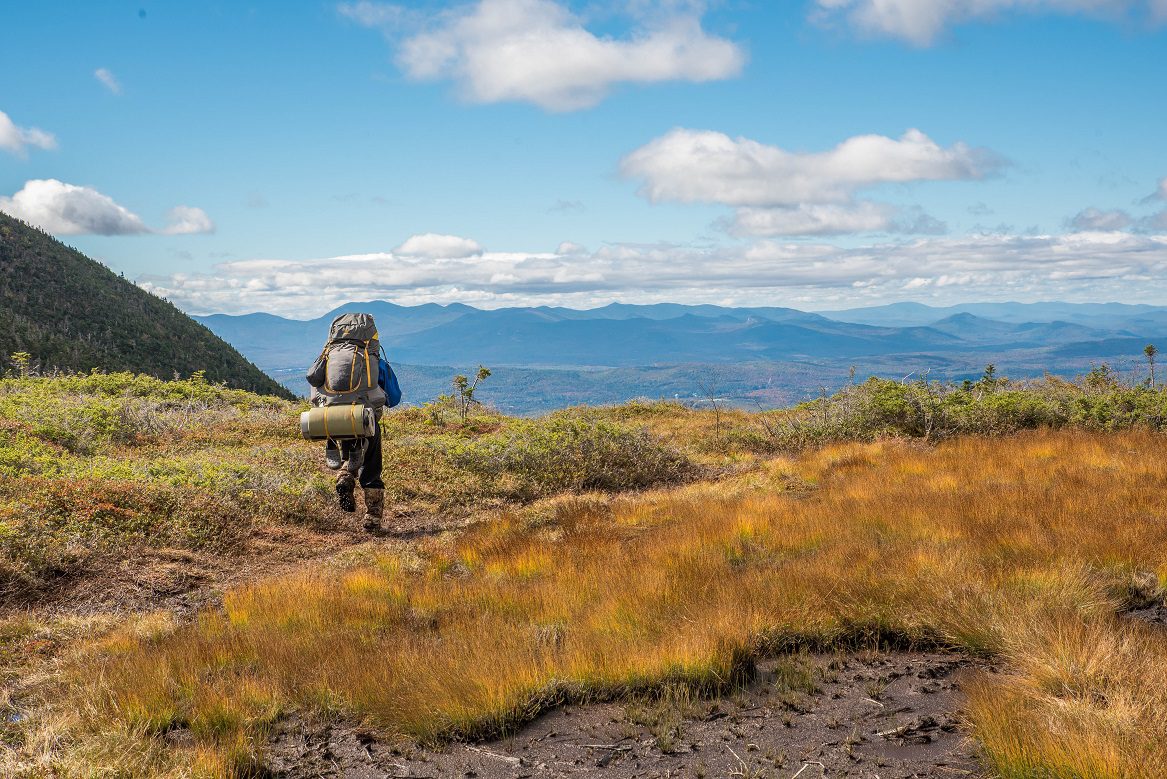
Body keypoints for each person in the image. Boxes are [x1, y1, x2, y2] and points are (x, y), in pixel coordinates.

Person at [306, 313, 401, 530]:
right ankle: (372, 518)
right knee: (372, 466)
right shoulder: (374, 362)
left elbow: (313, 379)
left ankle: (345, 478)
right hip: (364, 419)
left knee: (349, 449)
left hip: (333, 420)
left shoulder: (328, 358)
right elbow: (394, 399)